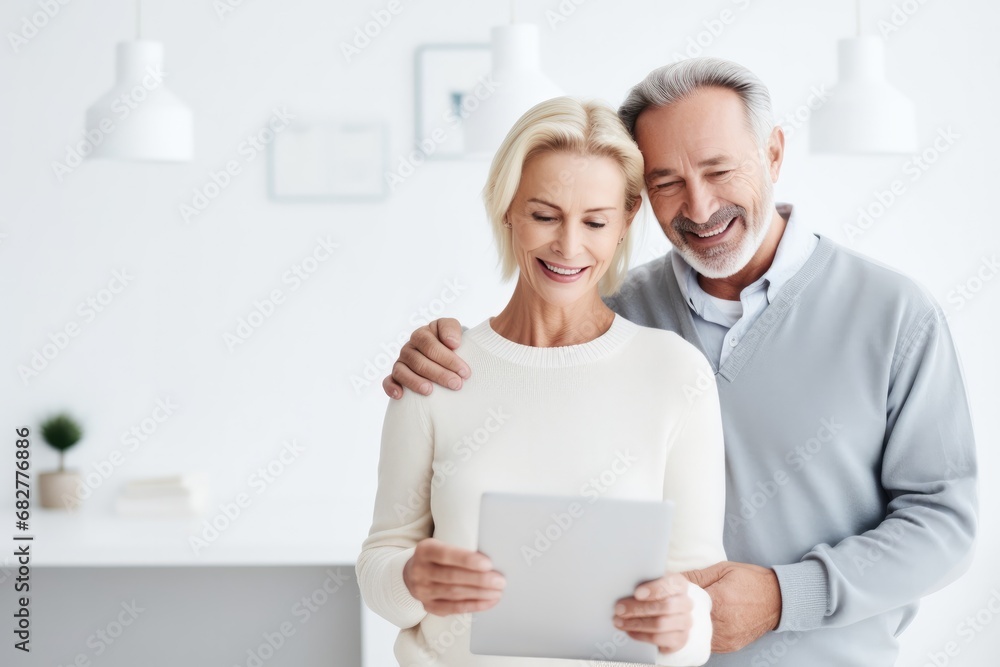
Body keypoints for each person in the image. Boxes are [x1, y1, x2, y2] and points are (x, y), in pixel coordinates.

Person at [382, 58, 979, 666]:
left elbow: (944, 524)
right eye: (667, 181)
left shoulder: (892, 314)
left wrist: (783, 595)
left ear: (773, 154)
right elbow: (529, 361)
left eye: (720, 170)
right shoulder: (620, 315)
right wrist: (440, 353)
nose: (698, 206)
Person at [357, 97, 728, 667]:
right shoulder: (438, 368)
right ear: (508, 208)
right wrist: (411, 577)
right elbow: (382, 562)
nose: (569, 246)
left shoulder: (675, 374)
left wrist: (684, 622)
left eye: (596, 222)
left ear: (628, 219)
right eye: (544, 215)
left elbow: (698, 591)